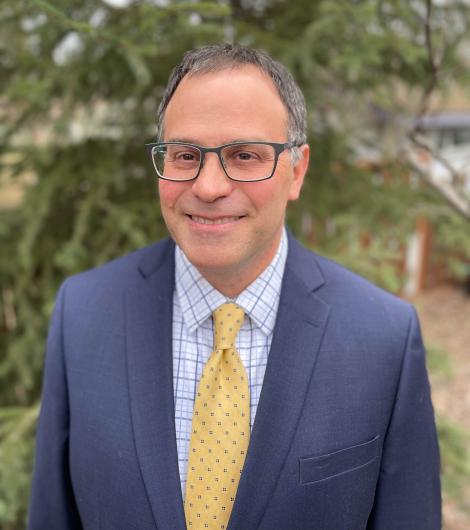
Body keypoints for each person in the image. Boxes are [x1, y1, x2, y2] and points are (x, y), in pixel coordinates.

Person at [29, 44, 441, 530]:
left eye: (244, 155)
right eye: (185, 154)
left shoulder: (383, 338)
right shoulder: (83, 314)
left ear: (297, 170)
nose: (208, 186)